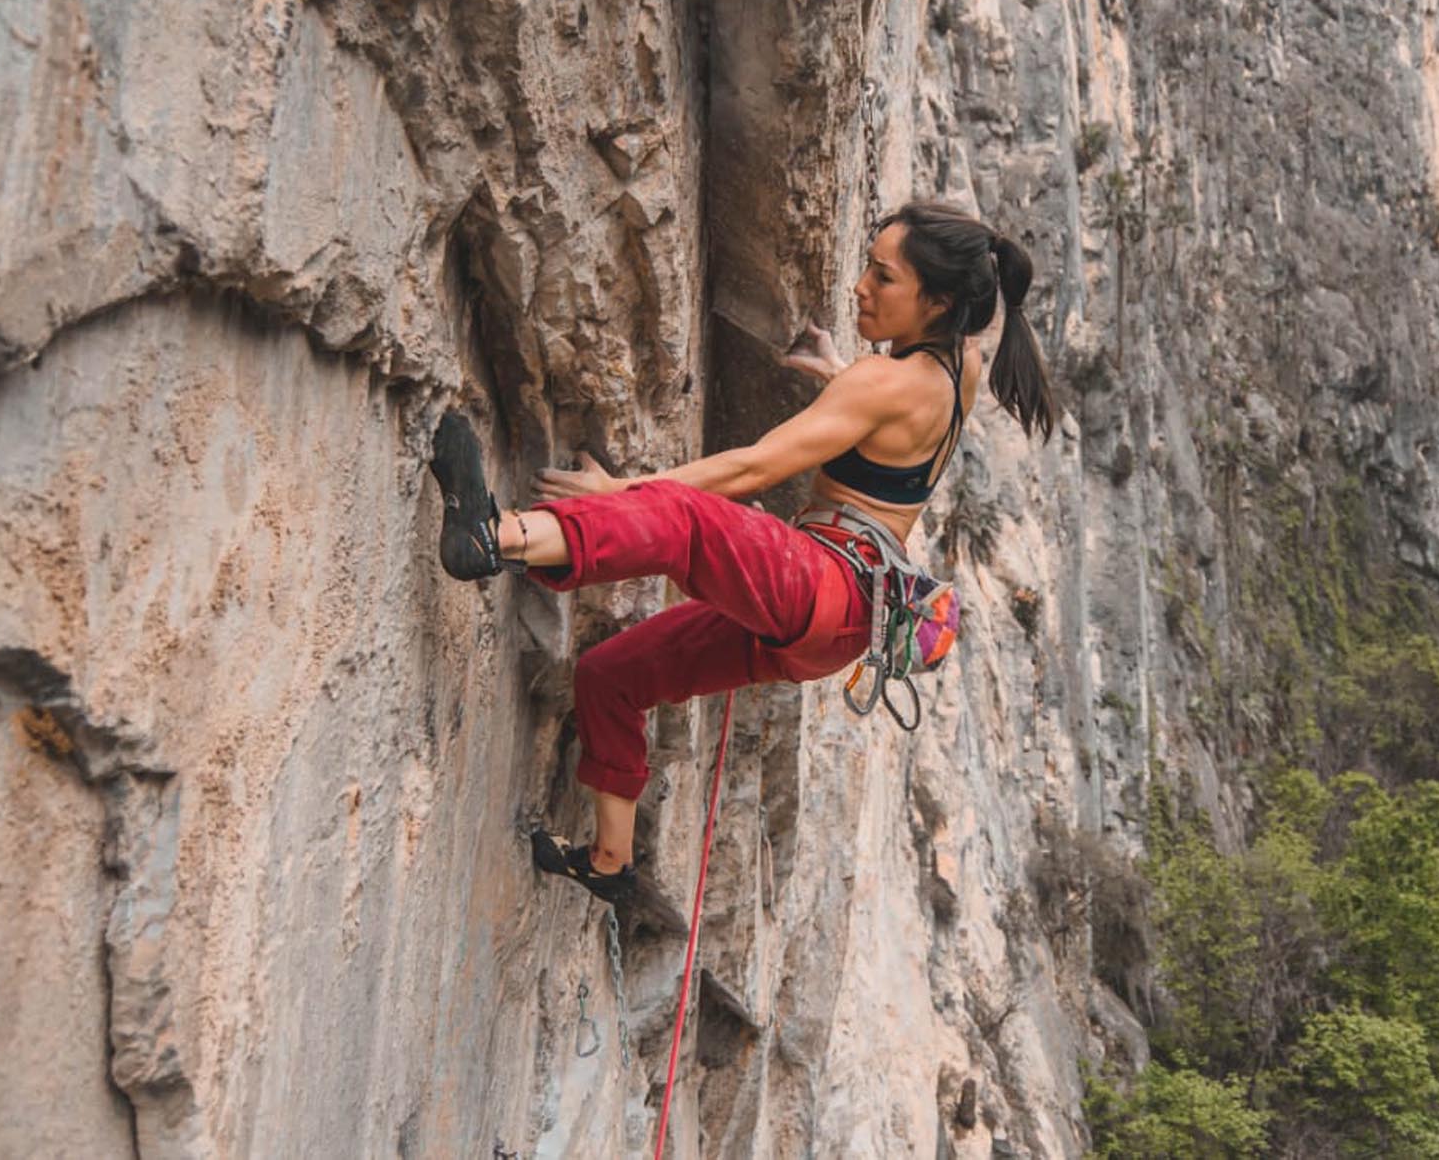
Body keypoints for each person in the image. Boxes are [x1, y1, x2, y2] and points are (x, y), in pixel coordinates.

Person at [427, 200, 1057, 903]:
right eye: (868, 267)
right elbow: (895, 420)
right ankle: (609, 862)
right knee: (612, 675)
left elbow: (754, 468)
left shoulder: (880, 385)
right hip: (842, 628)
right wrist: (840, 375)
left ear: (936, 302)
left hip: (822, 584)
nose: (860, 287)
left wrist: (619, 491)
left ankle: (495, 535)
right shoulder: (961, 364)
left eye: (884, 277)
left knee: (682, 518)